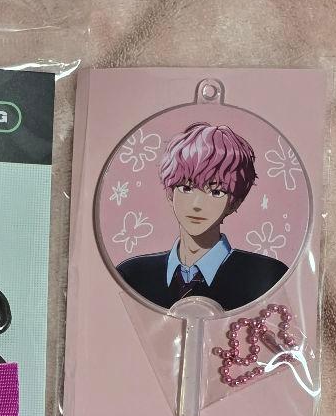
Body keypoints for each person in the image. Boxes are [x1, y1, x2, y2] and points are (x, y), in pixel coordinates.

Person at [116, 122, 287, 311]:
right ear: (170, 194)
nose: (197, 204)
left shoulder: (267, 275)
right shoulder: (132, 275)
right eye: (186, 188)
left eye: (216, 192)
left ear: (235, 203)